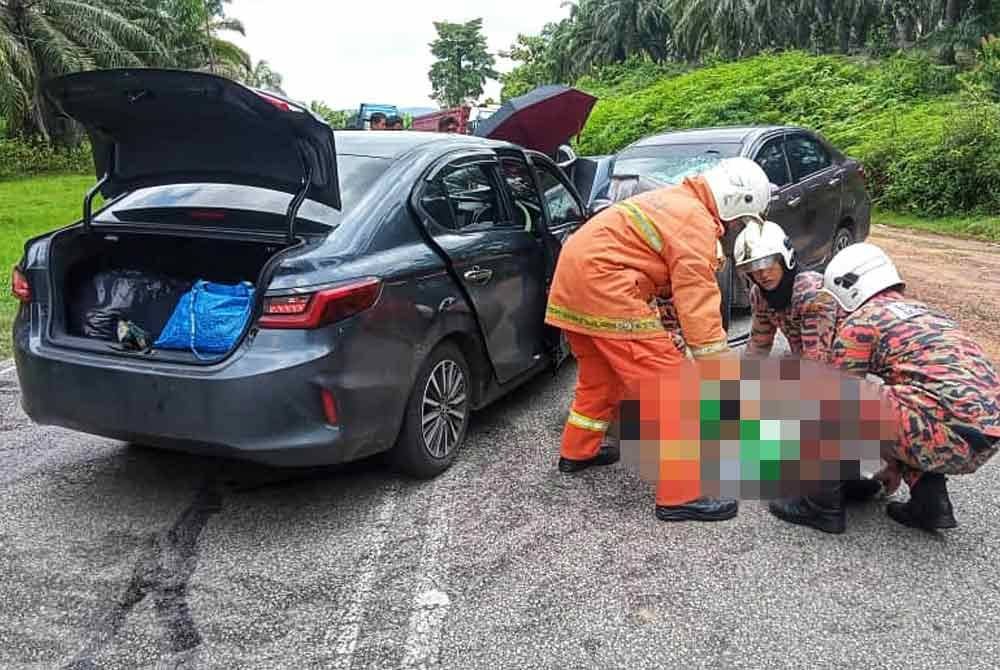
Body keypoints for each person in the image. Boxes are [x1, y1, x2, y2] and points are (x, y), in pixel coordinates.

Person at [545, 157, 773, 523]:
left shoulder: (674, 201)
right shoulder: (694, 221)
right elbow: (698, 309)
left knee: (600, 379)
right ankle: (681, 494)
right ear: (735, 201)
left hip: (572, 285)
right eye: (740, 220)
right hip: (607, 288)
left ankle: (578, 450)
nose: (733, 228)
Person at [769, 243, 1000, 533]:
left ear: (847, 288)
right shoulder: (925, 312)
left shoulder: (859, 323)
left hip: (944, 429)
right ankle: (931, 505)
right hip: (984, 439)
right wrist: (893, 457)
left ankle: (821, 507)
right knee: (910, 404)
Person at [734, 219, 826, 358]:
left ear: (784, 260)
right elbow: (759, 345)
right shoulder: (759, 295)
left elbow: (817, 359)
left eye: (769, 264)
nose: (763, 274)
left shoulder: (810, 292)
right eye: (754, 268)